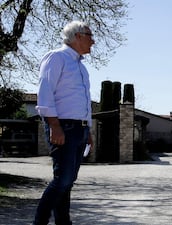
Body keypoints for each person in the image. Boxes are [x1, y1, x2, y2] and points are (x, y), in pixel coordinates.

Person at [33, 21, 95, 225]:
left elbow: (82, 101)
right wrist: (54, 125)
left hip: (80, 129)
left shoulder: (81, 67)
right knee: (63, 180)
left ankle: (63, 222)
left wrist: (89, 131)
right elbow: (45, 92)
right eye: (89, 35)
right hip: (63, 126)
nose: (92, 41)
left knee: (68, 182)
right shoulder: (56, 58)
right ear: (77, 36)